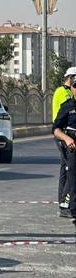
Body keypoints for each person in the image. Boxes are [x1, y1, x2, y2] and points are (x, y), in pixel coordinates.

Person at [53, 67, 76, 218]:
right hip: (67, 138)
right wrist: (66, 138)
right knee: (69, 171)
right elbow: (57, 127)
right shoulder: (64, 95)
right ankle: (66, 204)